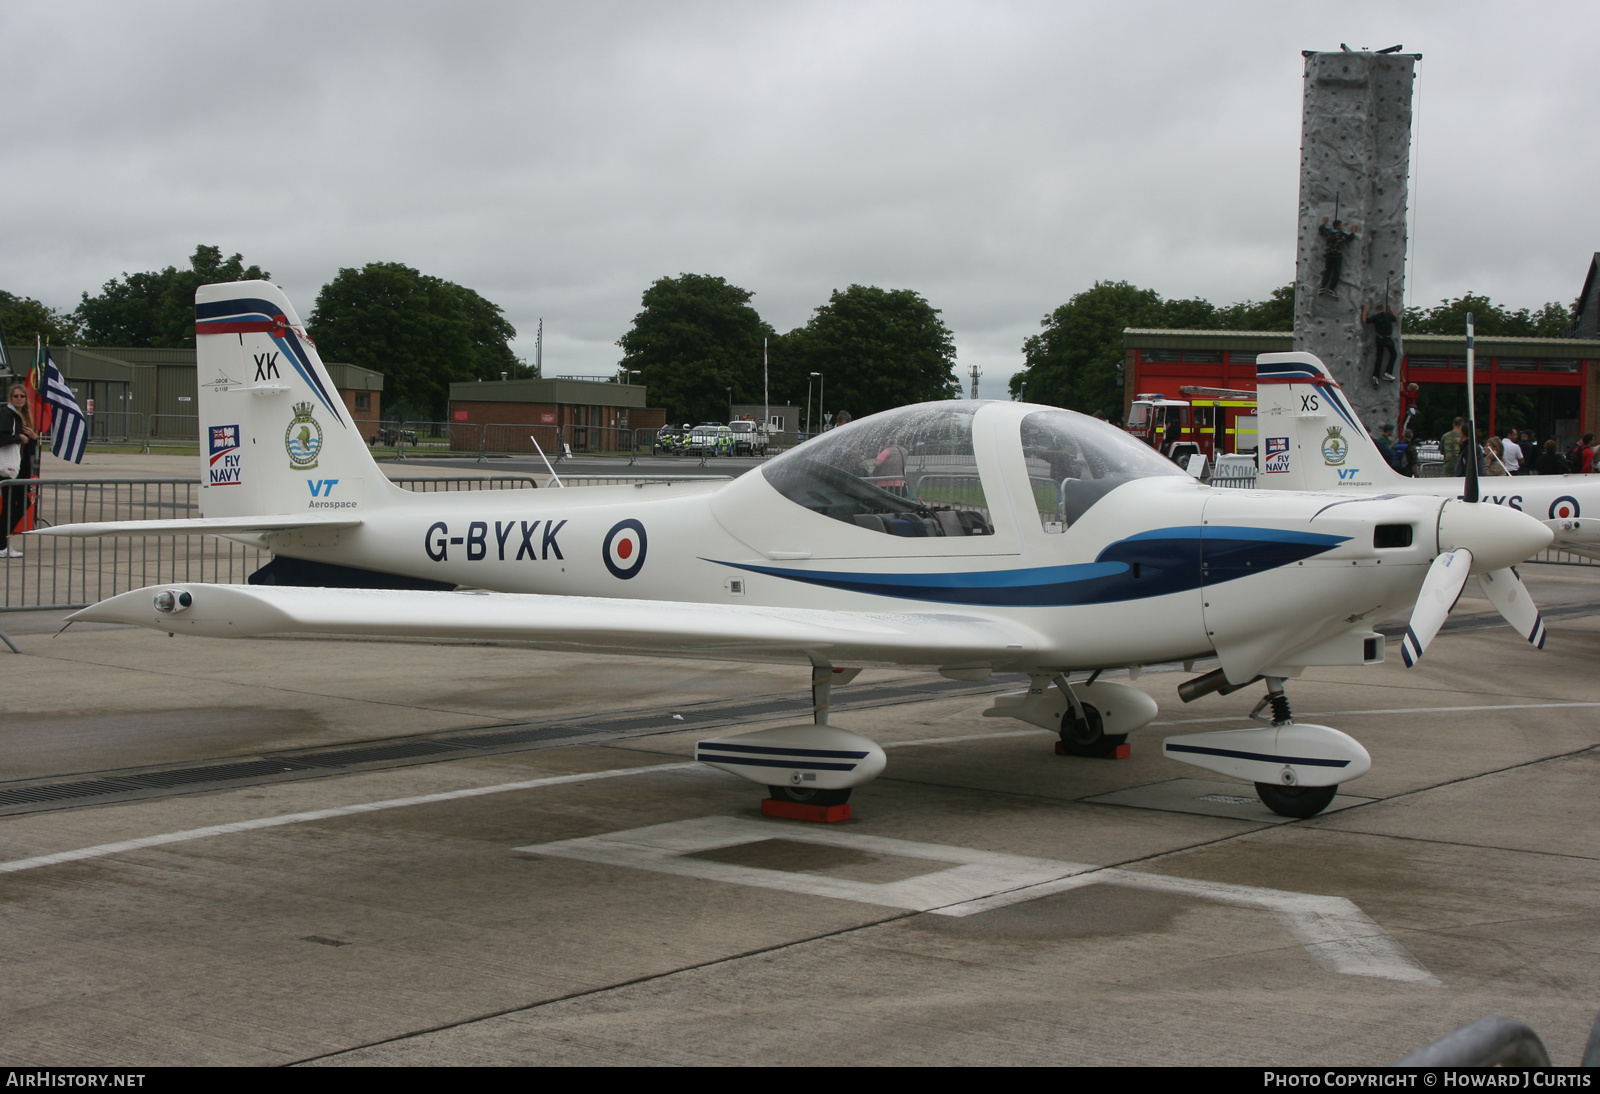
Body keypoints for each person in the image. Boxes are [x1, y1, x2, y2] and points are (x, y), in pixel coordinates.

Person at [0, 383, 40, 558]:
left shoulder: (22, 416)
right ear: (11, 397)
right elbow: (2, 437)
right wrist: (19, 438)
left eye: (22, 396)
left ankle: (3, 540)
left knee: (22, 502)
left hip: (20, 467)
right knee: (12, 504)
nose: (19, 399)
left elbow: (29, 448)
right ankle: (2, 543)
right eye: (16, 396)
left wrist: (33, 438)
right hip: (9, 468)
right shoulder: (8, 414)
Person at [1318, 217, 1357, 298]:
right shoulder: (1340, 234)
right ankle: (1331, 289)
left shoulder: (1328, 232)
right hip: (1337, 255)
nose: (1342, 226)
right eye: (1341, 225)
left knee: (1327, 270)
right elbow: (1350, 238)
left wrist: (1324, 222)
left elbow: (1321, 229)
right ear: (1338, 226)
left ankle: (1323, 286)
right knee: (1336, 272)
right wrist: (1353, 230)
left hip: (1329, 254)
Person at [1363, 303, 1399, 384]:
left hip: (1379, 339)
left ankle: (1375, 376)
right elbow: (1395, 318)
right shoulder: (1388, 315)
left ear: (1377, 310)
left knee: (1379, 357)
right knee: (1394, 354)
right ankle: (1388, 373)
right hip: (1388, 339)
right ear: (1383, 309)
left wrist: (1365, 309)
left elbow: (1365, 320)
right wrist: (1392, 309)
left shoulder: (1375, 317)